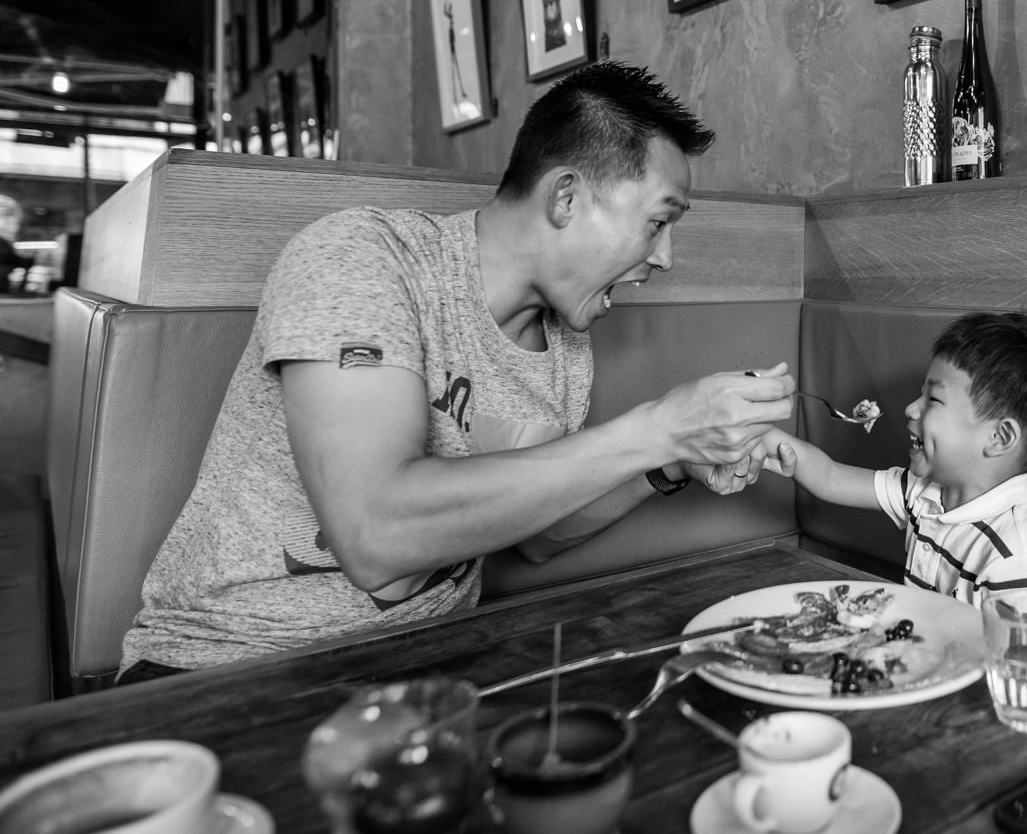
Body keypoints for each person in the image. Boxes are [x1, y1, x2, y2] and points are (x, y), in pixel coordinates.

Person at [118, 62, 795, 680]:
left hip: (426, 667)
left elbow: (536, 534)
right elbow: (376, 536)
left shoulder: (564, 348)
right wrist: (657, 429)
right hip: (223, 665)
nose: (665, 257)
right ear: (565, 198)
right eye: (657, 223)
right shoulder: (360, 258)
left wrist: (668, 463)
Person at [763, 311, 1027, 656]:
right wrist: (761, 439)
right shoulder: (926, 491)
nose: (911, 409)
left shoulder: (1022, 558)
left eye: (934, 400)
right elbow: (831, 478)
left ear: (999, 437)